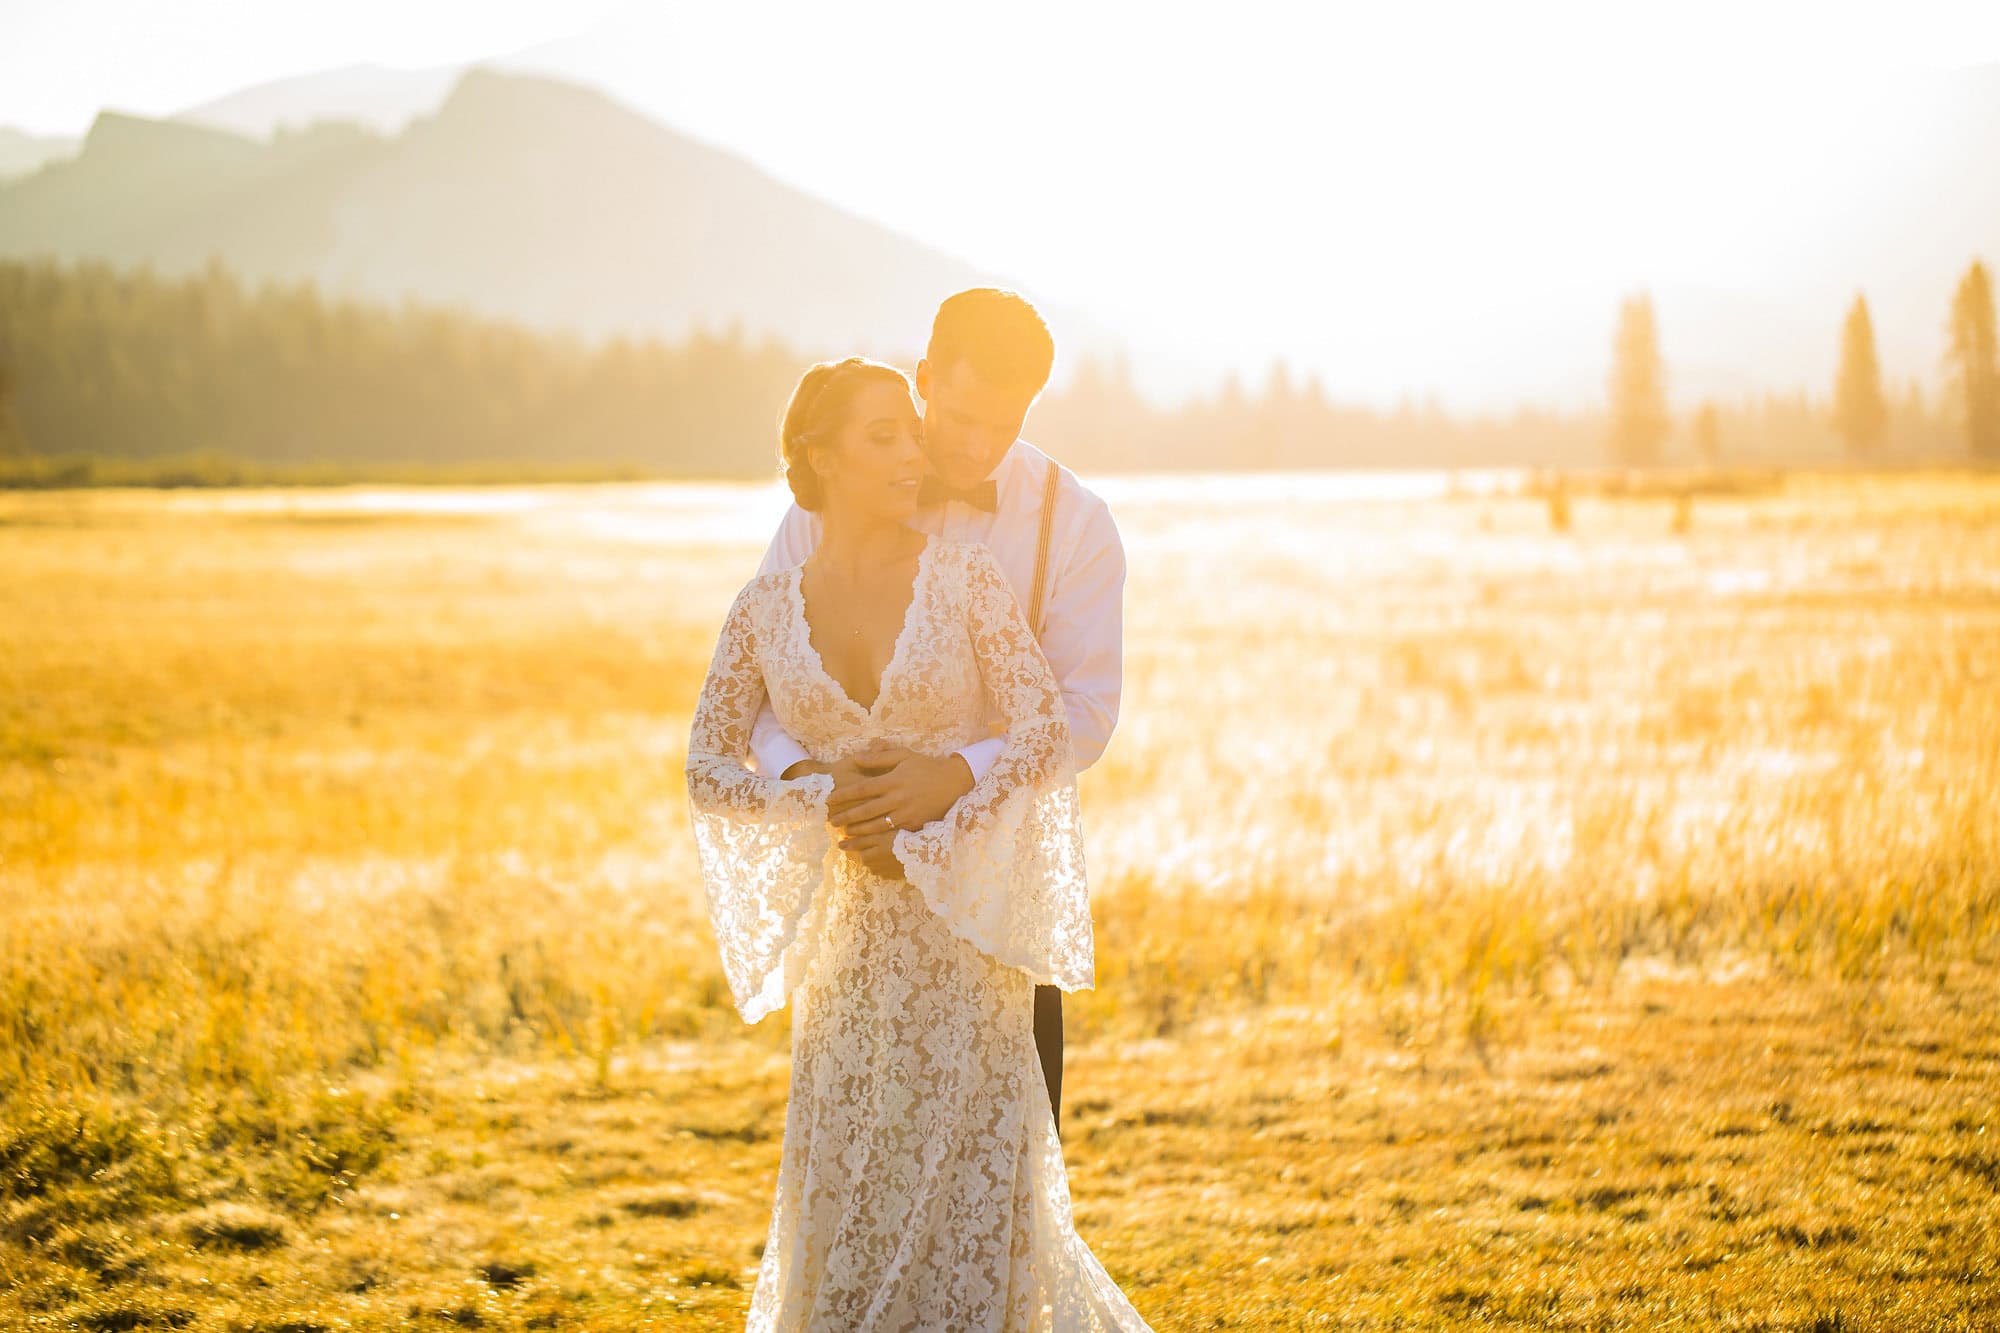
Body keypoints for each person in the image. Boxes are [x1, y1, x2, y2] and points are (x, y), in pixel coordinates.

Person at [684, 354, 1152, 1329]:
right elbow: (720, 754)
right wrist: (821, 796)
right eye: (887, 435)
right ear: (819, 456)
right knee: (848, 1196)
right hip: (847, 949)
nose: (932, 453)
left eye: (915, 434)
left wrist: (945, 786)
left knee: (984, 1203)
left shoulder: (1009, 555)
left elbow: (1058, 723)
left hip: (972, 930)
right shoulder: (769, 595)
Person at [745, 289, 1127, 1138]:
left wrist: (954, 777)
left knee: (1003, 1195)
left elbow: (1087, 712)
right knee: (856, 1172)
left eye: (1003, 425)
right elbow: (759, 697)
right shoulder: (828, 502)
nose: (976, 447)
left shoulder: (1078, 526)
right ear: (922, 376)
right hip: (855, 903)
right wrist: (820, 785)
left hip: (1001, 906)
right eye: (957, 418)